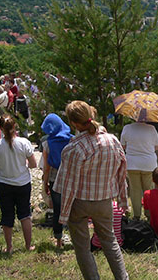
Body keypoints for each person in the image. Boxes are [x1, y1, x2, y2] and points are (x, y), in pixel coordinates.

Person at [53, 101, 128, 280]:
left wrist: (62, 215)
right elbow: (122, 173)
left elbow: (68, 185)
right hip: (104, 200)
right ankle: (123, 278)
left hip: (80, 202)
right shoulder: (112, 141)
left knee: (82, 247)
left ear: (73, 123)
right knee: (110, 241)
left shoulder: (74, 148)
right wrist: (123, 199)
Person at [0, 116, 37, 254]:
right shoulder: (24, 143)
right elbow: (33, 164)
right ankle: (28, 246)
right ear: (15, 127)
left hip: (3, 183)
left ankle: (9, 247)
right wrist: (23, 165)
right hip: (22, 182)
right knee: (25, 214)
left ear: (1, 129)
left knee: (7, 215)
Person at [41, 113, 72, 248]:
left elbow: (46, 168)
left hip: (55, 180)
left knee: (58, 211)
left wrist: (45, 183)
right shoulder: (72, 140)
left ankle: (59, 241)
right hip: (71, 180)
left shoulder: (47, 144)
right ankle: (76, 239)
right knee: (73, 210)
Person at [120, 118, 158, 220]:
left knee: (135, 190)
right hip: (148, 164)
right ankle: (149, 213)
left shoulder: (127, 128)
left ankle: (137, 215)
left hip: (132, 163)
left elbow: (122, 146)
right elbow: (157, 146)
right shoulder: (151, 129)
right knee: (149, 190)